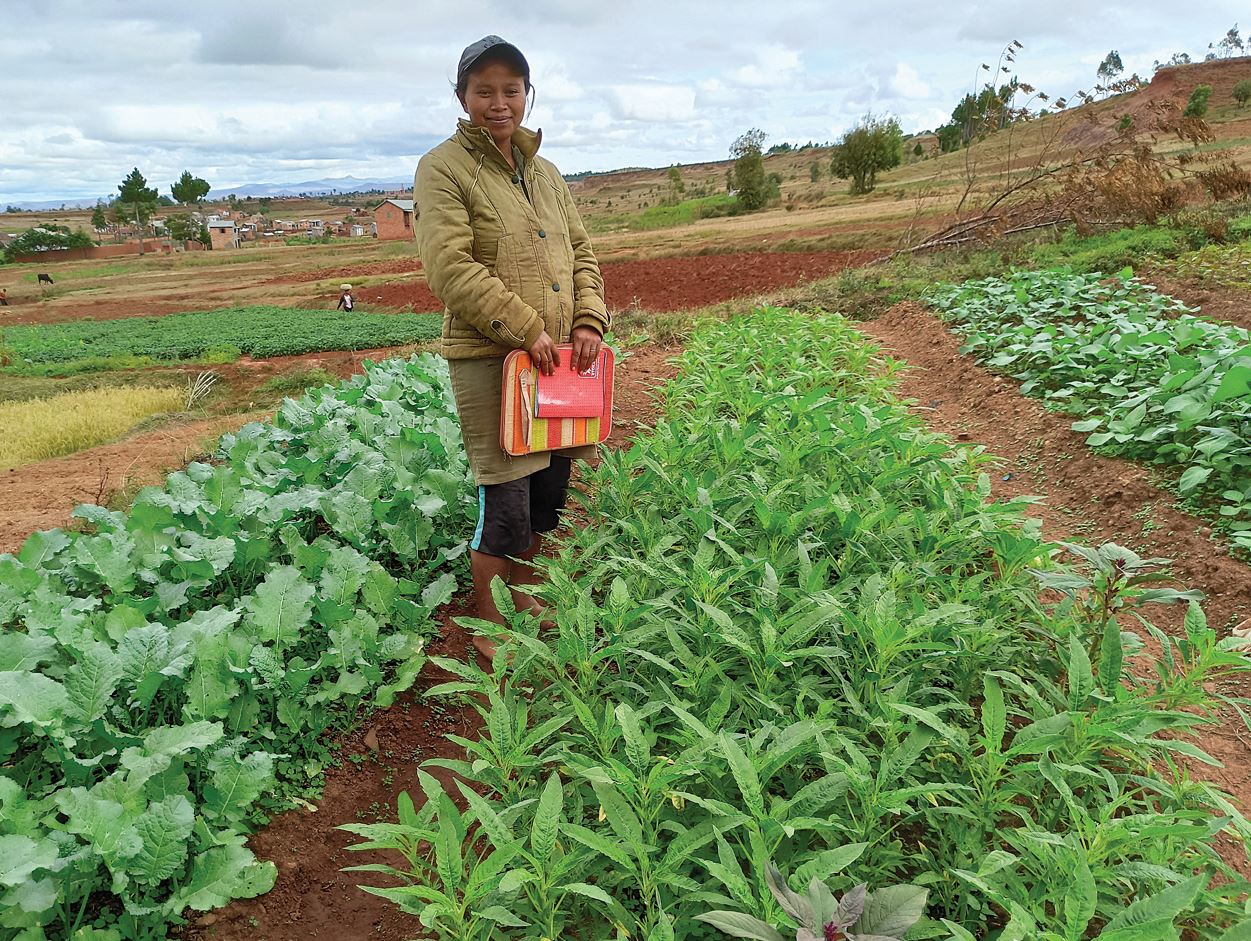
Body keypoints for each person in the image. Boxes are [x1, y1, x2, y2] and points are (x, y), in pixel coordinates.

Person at [414, 35, 609, 661]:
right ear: (463, 96)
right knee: (505, 500)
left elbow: (580, 252)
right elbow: (451, 268)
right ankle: (493, 630)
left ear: (527, 95)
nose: (499, 102)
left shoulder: (546, 174)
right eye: (484, 90)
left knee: (549, 491)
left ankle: (526, 597)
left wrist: (588, 321)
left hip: (559, 362)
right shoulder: (443, 167)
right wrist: (527, 328)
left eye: (511, 89)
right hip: (493, 361)